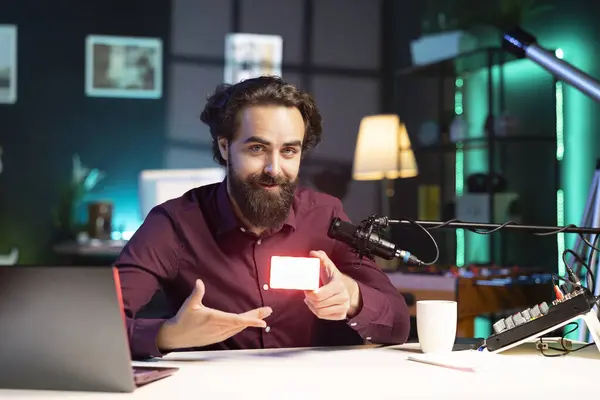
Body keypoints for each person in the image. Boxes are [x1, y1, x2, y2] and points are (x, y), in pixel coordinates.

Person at [115, 76, 411, 360]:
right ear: (224, 146)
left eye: (289, 151)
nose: (274, 168)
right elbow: (94, 324)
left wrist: (352, 296)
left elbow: (399, 324)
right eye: (257, 148)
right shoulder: (173, 224)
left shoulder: (325, 215)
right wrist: (168, 335)